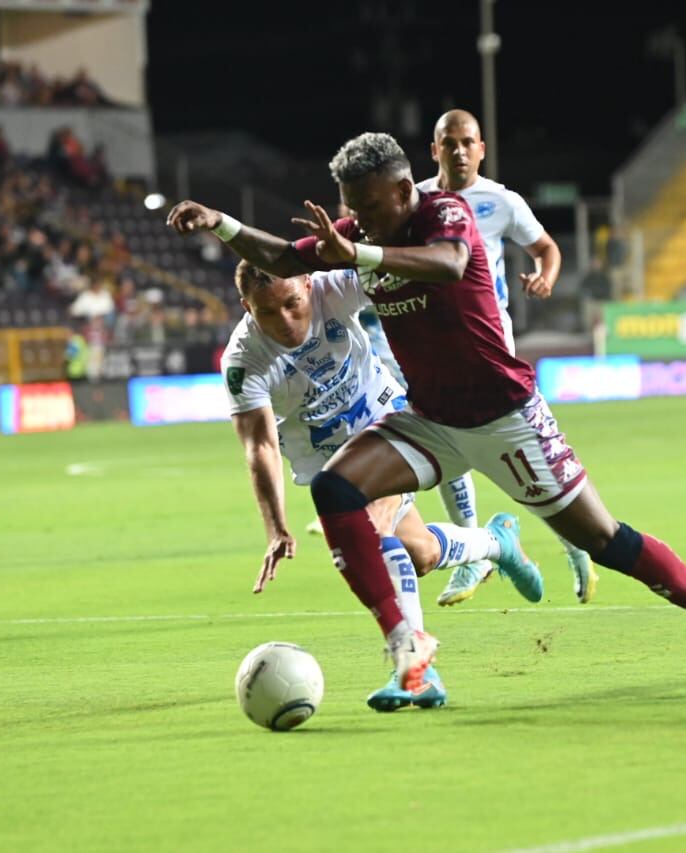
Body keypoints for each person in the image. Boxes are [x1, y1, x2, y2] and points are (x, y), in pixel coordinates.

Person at [166, 132, 686, 699]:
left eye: (369, 206)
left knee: (604, 541)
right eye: (352, 207)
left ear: (405, 191)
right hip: (430, 422)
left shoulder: (443, 213)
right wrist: (220, 224)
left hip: (505, 417)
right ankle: (407, 641)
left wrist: (362, 252)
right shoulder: (361, 237)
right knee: (336, 489)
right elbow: (283, 257)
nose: (360, 217)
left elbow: (450, 264)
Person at [223, 260, 544, 710]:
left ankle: (414, 668)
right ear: (246, 307)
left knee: (374, 532)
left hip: (388, 422)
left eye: (292, 304)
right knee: (422, 555)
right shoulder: (244, 359)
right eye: (267, 312)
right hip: (328, 461)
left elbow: (403, 278)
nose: (285, 321)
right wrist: (276, 526)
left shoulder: (334, 290)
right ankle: (495, 542)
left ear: (307, 286)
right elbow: (260, 446)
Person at [414, 109, 596, 608]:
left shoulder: (501, 201)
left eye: (466, 141)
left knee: (519, 463)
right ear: (434, 151)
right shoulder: (418, 202)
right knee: (446, 449)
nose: (457, 150)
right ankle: (474, 549)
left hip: (491, 354)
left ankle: (572, 538)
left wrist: (546, 276)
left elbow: (546, 247)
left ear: (482, 148)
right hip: (437, 353)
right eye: (447, 143)